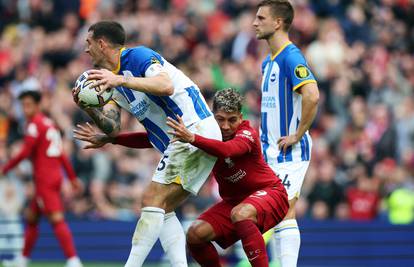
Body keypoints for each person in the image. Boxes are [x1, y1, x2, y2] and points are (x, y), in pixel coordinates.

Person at [74, 89, 289, 267]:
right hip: (234, 202)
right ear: (213, 117)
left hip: (271, 194)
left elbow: (228, 150)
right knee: (195, 235)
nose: (225, 126)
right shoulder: (207, 131)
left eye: (232, 120)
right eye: (220, 119)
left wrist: (192, 138)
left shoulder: (247, 133)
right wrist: (111, 139)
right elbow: (154, 139)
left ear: (240, 118)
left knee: (241, 213)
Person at [73, 21, 221, 267]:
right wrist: (88, 108)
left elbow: (166, 85)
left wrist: (120, 81)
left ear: (101, 44)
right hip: (186, 138)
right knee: (163, 208)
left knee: (150, 200)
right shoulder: (111, 82)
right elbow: (112, 126)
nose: (85, 50)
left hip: (193, 129)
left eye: (88, 43)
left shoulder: (138, 56)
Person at [253, 1, 320, 266]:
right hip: (269, 151)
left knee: (284, 210)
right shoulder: (268, 62)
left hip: (289, 150)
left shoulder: (291, 57)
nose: (254, 22)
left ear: (278, 22)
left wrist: (297, 134)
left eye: (261, 17)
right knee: (271, 213)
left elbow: (312, 95)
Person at [1, 90, 83, 267]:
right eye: (23, 105)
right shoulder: (49, 124)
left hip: (44, 180)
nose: (25, 109)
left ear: (37, 106)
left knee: (56, 219)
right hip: (53, 177)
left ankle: (73, 260)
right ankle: (22, 259)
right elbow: (61, 154)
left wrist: (5, 168)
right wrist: (71, 177)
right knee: (32, 218)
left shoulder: (34, 125)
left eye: (28, 105)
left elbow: (24, 152)